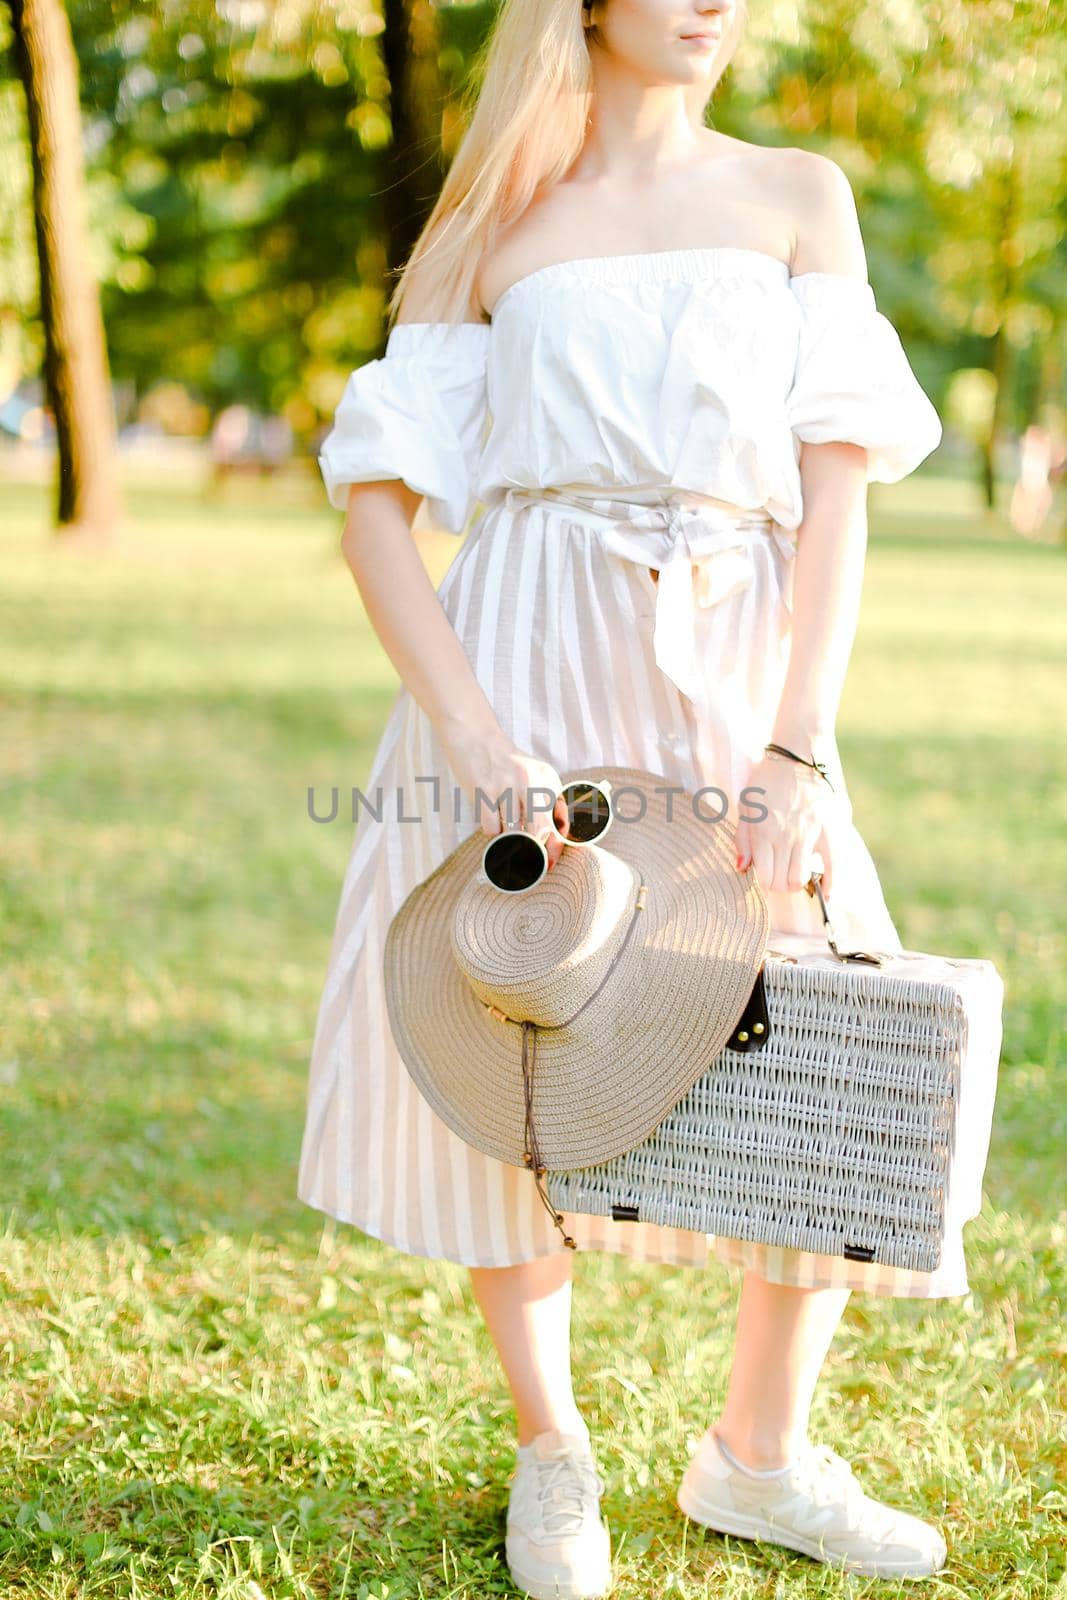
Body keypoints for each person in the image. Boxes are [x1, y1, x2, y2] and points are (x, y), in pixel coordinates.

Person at [299, 0, 957, 1590]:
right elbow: (379, 507)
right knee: (510, 1037)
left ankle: (760, 1457)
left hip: (733, 651)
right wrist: (474, 741)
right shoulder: (497, 222)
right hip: (524, 651)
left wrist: (797, 744)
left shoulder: (802, 194)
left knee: (817, 1014)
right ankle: (553, 1451)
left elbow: (837, 489)